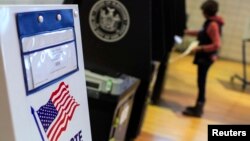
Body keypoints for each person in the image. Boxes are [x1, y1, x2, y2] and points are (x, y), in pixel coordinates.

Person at [182, 0, 224, 117]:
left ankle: (199, 108)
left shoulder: (213, 24)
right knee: (200, 81)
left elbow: (216, 44)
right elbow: (202, 33)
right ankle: (198, 106)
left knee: (201, 82)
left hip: (206, 57)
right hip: (206, 57)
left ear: (206, 12)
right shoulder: (212, 22)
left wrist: (200, 48)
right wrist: (187, 32)